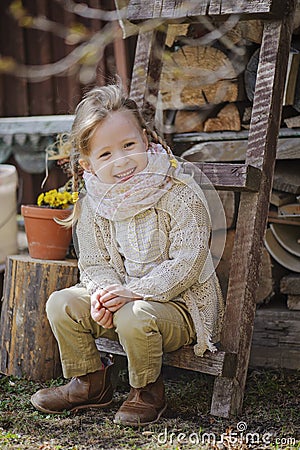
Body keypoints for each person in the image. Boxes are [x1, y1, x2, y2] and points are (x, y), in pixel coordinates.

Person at [31, 81, 224, 427]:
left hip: (179, 308)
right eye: (105, 154)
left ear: (146, 141)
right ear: (87, 164)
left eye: (129, 145)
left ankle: (147, 391)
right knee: (61, 303)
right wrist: (101, 296)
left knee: (134, 315)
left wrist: (133, 293)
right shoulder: (94, 205)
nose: (121, 161)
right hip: (122, 302)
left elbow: (189, 263)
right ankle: (89, 382)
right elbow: (94, 263)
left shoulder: (178, 192)